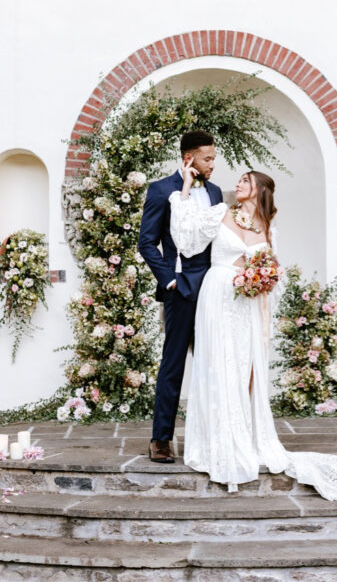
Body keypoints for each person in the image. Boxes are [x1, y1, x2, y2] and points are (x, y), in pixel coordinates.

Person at [168, 164, 337, 500]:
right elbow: (187, 238)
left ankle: (248, 437)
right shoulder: (221, 212)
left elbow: (273, 272)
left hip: (249, 304)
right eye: (239, 180)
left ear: (259, 190)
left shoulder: (268, 227)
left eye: (245, 181)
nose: (238, 184)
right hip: (218, 295)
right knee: (218, 366)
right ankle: (218, 443)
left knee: (244, 368)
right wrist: (183, 190)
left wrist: (262, 281)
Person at [138, 130, 223, 464]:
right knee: (173, 364)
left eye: (214, 158)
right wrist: (169, 280)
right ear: (189, 158)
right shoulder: (161, 190)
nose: (213, 165)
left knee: (213, 362)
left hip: (213, 285)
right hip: (181, 286)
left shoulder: (215, 192)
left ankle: (212, 434)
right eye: (207, 158)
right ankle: (161, 438)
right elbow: (147, 242)